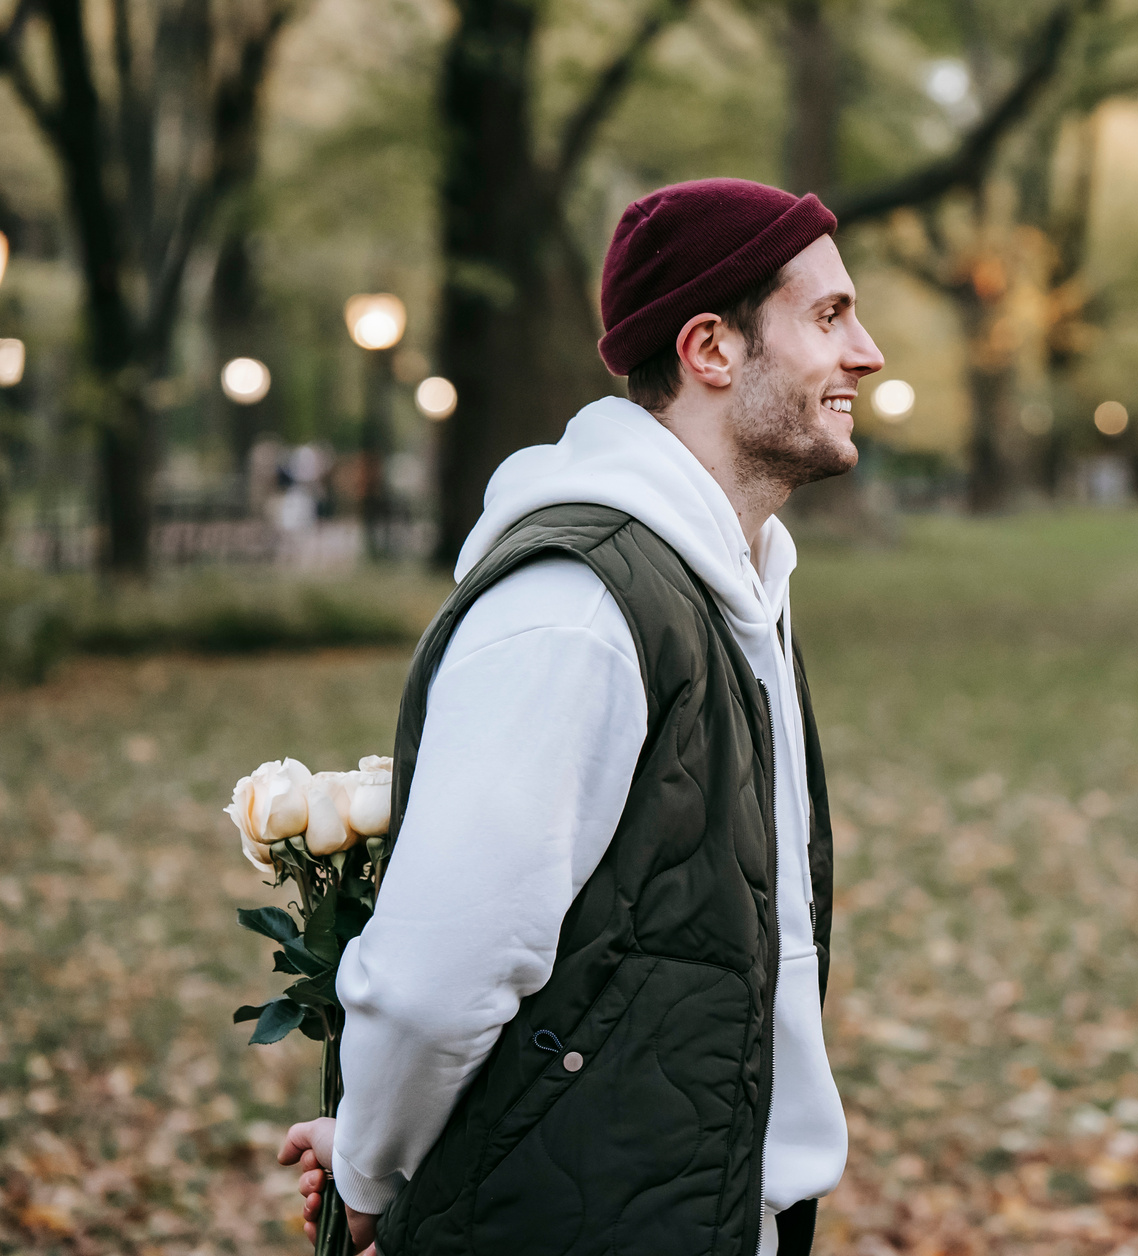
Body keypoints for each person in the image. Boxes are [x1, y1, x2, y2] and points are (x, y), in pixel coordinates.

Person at [279, 177, 883, 1256]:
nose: (868, 353)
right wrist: (371, 1166)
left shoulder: (733, 584)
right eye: (830, 317)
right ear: (711, 349)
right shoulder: (576, 608)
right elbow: (434, 973)